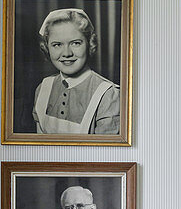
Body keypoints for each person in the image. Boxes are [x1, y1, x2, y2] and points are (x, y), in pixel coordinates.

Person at [33, 8, 120, 136]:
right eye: (57, 45)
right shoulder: (43, 88)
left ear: (90, 44)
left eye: (75, 43)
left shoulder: (108, 95)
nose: (67, 53)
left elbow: (106, 153)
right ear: (47, 48)